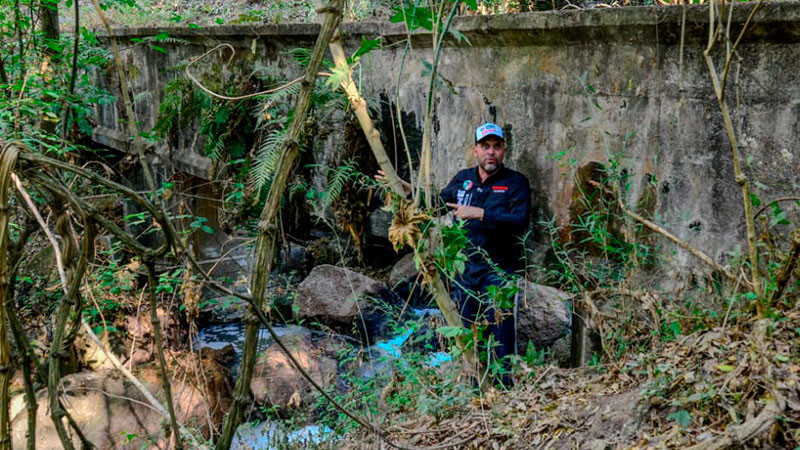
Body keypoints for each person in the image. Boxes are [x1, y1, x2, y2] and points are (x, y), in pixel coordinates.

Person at [377, 122, 531, 383]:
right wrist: (407, 189)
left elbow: (520, 221)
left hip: (500, 270)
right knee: (466, 328)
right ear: (475, 150)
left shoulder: (516, 182)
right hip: (466, 268)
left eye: (496, 147)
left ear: (504, 150)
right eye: (485, 147)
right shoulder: (464, 180)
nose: (490, 153)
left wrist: (481, 214)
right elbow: (437, 205)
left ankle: (505, 387)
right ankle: (474, 385)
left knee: (501, 327)